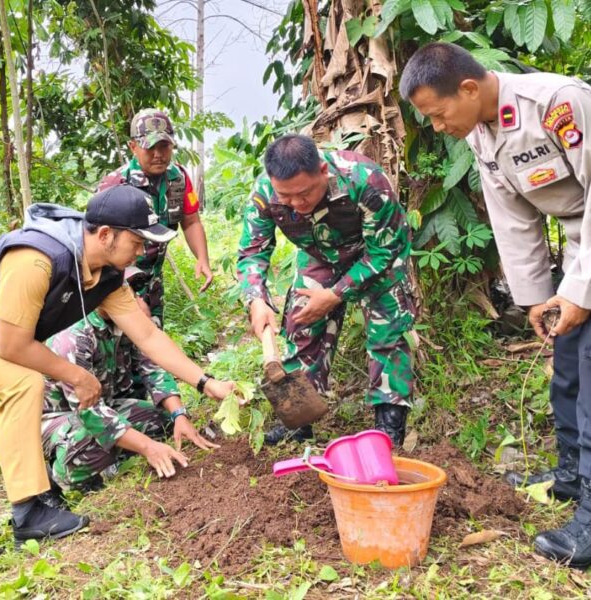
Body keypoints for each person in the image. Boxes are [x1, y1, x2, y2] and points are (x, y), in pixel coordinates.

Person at [399, 41, 591, 568]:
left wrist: (579, 291)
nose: (437, 128)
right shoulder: (483, 135)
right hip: (581, 249)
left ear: (468, 88)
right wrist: (537, 299)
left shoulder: (558, 103)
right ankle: (572, 477)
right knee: (568, 367)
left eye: (438, 115)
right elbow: (513, 220)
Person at [0, 184, 234, 544]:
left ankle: (35, 506)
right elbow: (12, 345)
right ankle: (29, 511)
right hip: (4, 339)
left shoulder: (107, 278)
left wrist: (206, 382)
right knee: (25, 382)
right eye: (137, 242)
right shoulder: (36, 259)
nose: (142, 251)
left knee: (26, 381)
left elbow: (149, 338)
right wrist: (77, 376)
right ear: (105, 235)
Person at [237, 134, 415, 446]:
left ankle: (389, 429)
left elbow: (384, 252)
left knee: (387, 331)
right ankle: (299, 422)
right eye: (286, 197)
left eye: (304, 194)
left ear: (322, 171)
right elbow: (252, 252)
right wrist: (256, 300)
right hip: (320, 255)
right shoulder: (265, 192)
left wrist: (334, 295)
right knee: (302, 323)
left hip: (373, 254)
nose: (296, 204)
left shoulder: (365, 180)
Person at [41, 266, 217, 502]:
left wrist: (179, 415)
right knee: (93, 440)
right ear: (99, 296)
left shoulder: (125, 323)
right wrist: (147, 447)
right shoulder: (74, 336)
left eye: (131, 290)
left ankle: (118, 453)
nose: (131, 296)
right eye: (121, 290)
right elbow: (90, 414)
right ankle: (59, 474)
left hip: (107, 405)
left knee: (161, 420)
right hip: (64, 419)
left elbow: (152, 367)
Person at [98, 108, 212, 326]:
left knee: (153, 336)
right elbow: (97, 246)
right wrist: (121, 288)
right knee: (119, 341)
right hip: (117, 279)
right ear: (133, 147)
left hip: (154, 279)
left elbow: (191, 220)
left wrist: (202, 258)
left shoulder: (177, 178)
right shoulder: (116, 185)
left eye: (164, 146)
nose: (158, 154)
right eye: (150, 147)